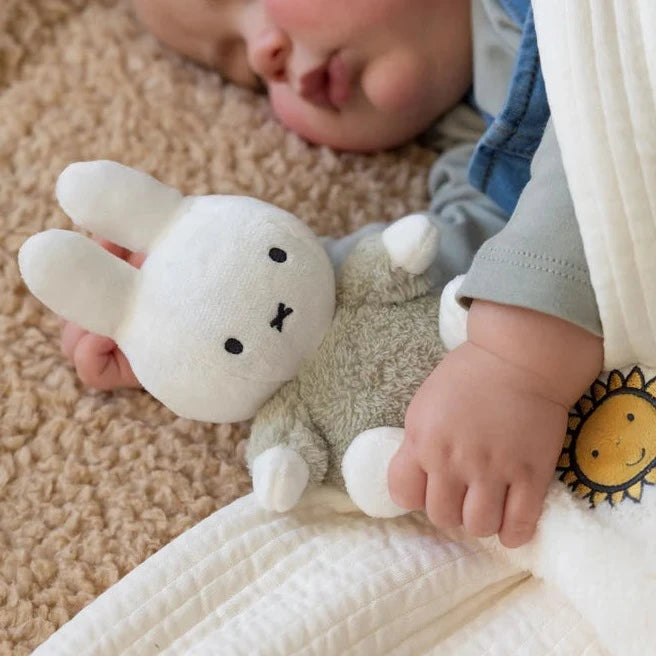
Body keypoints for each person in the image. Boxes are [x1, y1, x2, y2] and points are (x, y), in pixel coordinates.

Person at [61, 0, 604, 548]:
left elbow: (619, 103)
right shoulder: (478, 146)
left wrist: (518, 356)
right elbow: (454, 253)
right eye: (247, 75)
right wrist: (209, 305)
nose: (261, 51)